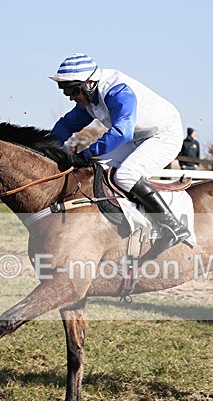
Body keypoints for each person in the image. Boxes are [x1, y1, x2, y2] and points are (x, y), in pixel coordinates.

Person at [49, 52, 190, 261]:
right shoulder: (90, 98)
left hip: (163, 135)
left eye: (72, 90)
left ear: (89, 84)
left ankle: (172, 226)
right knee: (94, 169)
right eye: (65, 91)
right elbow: (67, 125)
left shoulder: (117, 91)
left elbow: (122, 132)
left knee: (125, 175)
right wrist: (48, 147)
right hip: (138, 137)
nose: (70, 96)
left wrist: (86, 153)